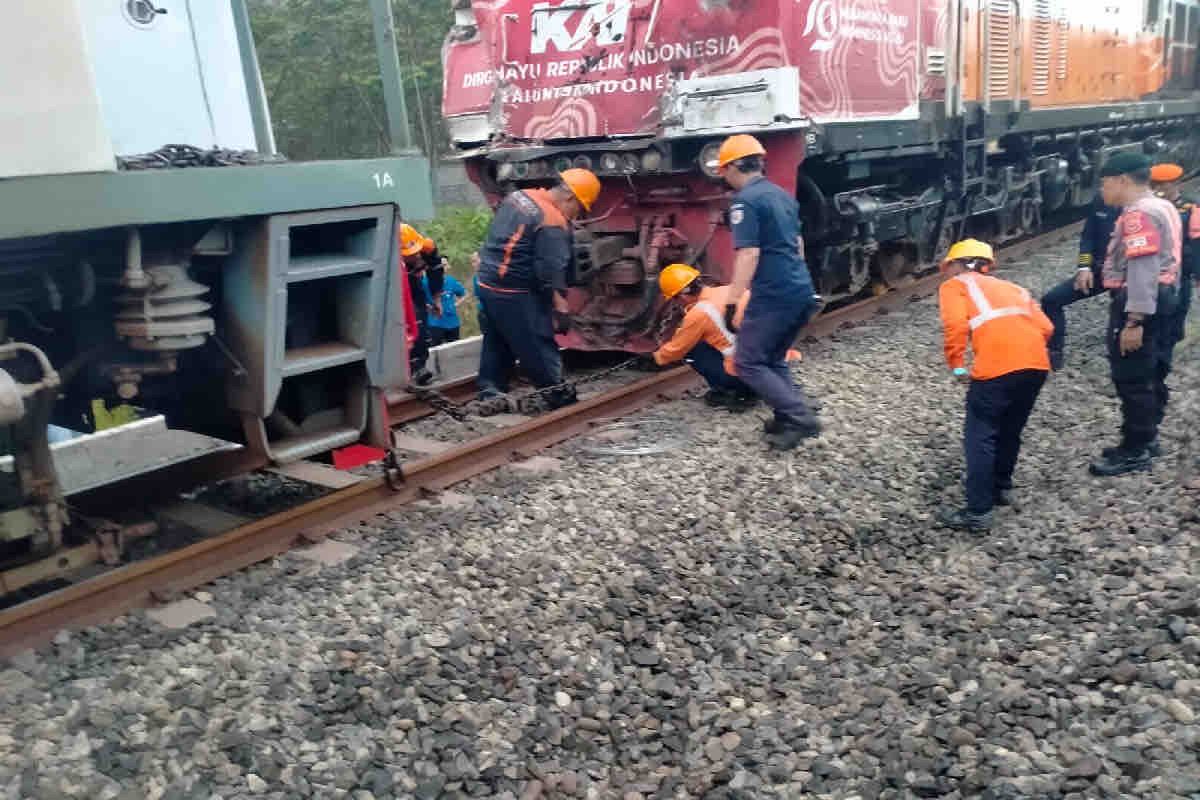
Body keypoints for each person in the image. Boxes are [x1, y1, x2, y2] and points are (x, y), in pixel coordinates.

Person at [709, 134, 820, 450]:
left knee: (748, 361)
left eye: (724, 171)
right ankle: (788, 416)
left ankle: (801, 417)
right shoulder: (781, 195)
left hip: (773, 293)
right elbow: (798, 244)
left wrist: (732, 300)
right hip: (798, 287)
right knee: (772, 357)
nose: (725, 178)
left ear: (732, 167)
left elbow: (749, 254)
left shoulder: (746, 201)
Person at [936, 239, 1053, 531]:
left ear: (955, 265)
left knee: (981, 435)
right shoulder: (1015, 288)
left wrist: (958, 365)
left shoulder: (955, 285)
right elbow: (1047, 327)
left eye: (948, 267)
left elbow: (955, 326)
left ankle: (978, 511)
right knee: (1010, 429)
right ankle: (1001, 487)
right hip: (1036, 365)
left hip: (997, 369)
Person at [475, 168, 601, 408]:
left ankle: (490, 390)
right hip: (514, 292)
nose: (577, 216)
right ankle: (557, 394)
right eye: (580, 208)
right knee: (537, 342)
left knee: (497, 338)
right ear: (570, 198)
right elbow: (550, 273)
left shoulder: (521, 196)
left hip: (487, 282)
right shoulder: (552, 221)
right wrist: (561, 309)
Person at [1089, 152, 1181, 476]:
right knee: (1148, 369)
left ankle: (1136, 447)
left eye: (1105, 183)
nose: (1102, 190)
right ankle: (1146, 436)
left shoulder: (1138, 215)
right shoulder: (1163, 205)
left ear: (1122, 180)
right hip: (1164, 297)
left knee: (1131, 376)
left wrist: (1134, 320)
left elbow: (1142, 268)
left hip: (1139, 300)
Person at [650, 263, 757, 410]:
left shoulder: (699, 313)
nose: (676, 303)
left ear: (681, 295)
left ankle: (739, 393)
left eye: (675, 299)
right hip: (769, 363)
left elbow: (677, 349)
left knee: (692, 351)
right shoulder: (730, 290)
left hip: (748, 373)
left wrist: (656, 357)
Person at [1040, 193, 1119, 370]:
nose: (1104, 187)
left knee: (1120, 316)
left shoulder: (1143, 207)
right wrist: (1084, 267)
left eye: (1107, 182)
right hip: (1099, 271)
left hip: (1127, 275)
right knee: (1051, 300)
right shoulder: (1102, 199)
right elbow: (1088, 236)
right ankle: (1054, 352)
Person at [1149, 162, 1198, 370]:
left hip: (1181, 270)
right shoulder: (1150, 206)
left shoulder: (1191, 207)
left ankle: (1165, 353)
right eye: (1156, 185)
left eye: (1164, 185)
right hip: (1155, 270)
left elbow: (1197, 242)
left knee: (1176, 317)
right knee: (1157, 320)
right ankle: (1157, 364)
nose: (1160, 189)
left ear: (1176, 183)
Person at [398, 223, 445, 385]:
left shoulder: (427, 247)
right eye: (408, 254)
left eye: (415, 252)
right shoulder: (388, 259)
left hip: (413, 284)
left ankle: (419, 368)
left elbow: (436, 271)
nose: (415, 256)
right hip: (396, 287)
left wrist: (436, 298)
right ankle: (404, 367)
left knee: (420, 322)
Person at [425, 271, 467, 345]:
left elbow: (464, 294)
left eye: (445, 265)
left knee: (455, 348)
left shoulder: (451, 280)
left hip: (453, 322)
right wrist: (429, 307)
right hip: (436, 323)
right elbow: (419, 299)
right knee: (436, 349)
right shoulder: (425, 281)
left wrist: (456, 304)